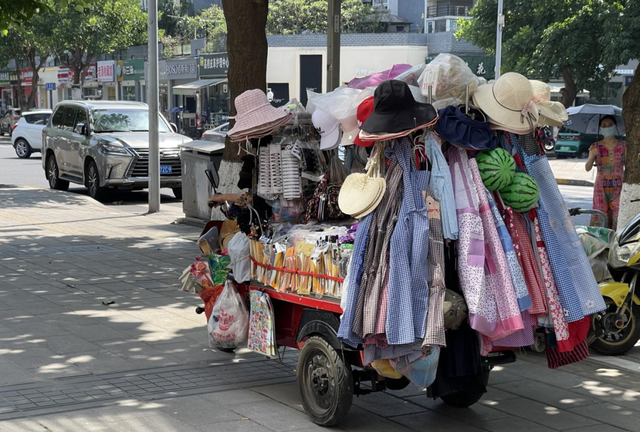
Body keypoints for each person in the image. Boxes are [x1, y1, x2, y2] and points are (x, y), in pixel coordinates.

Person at [585, 115, 626, 229]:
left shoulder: (624, 146)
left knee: (618, 214)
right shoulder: (595, 146)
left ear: (615, 127)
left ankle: (616, 243)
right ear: (600, 129)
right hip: (600, 187)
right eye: (604, 125)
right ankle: (601, 244)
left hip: (619, 187)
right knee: (600, 213)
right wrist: (592, 156)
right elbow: (587, 168)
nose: (607, 127)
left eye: (609, 125)